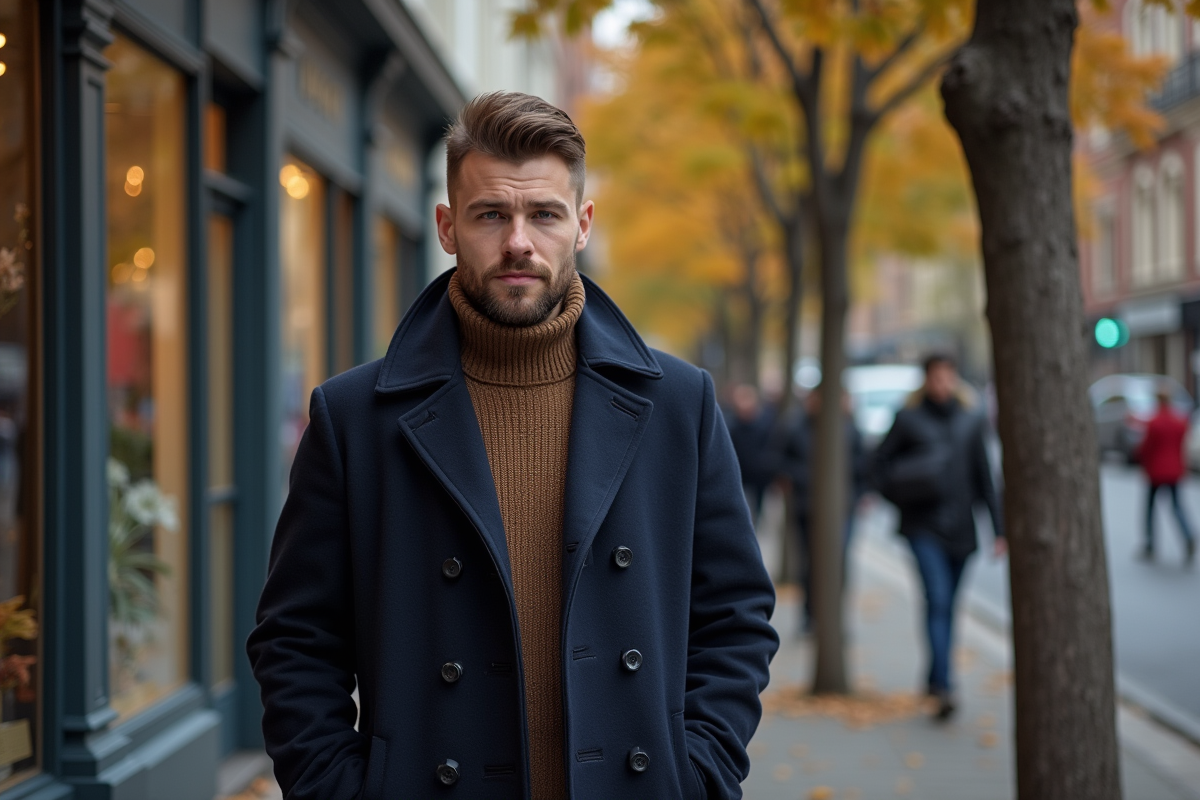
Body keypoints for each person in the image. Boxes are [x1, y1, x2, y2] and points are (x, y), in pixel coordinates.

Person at [247, 92, 778, 800]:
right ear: (446, 226)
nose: (519, 241)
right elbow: (296, 643)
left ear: (582, 225)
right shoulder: (354, 420)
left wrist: (697, 771)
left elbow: (736, 615)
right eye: (491, 214)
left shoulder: (679, 406)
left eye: (545, 214)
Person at [873, 354, 1004, 721]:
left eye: (948, 377)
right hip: (922, 527)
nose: (942, 384)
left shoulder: (971, 420)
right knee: (938, 599)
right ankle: (946, 686)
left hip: (962, 530)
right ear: (926, 380)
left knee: (949, 606)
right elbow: (878, 465)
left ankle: (935, 676)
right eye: (936, 377)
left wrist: (999, 529)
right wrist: (902, 492)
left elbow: (985, 477)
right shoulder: (908, 419)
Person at [781, 388, 868, 634]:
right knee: (810, 563)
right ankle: (810, 615)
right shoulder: (795, 428)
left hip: (844, 508)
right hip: (806, 506)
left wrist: (860, 495)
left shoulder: (849, 429)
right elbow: (779, 460)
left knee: (839, 562)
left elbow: (863, 466)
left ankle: (835, 616)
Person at [1136, 390, 1196, 565]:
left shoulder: (1154, 422)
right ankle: (1188, 536)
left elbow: (1146, 447)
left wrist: (1141, 460)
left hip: (1156, 471)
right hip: (1175, 471)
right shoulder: (1179, 421)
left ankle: (1150, 544)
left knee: (1150, 509)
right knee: (1177, 506)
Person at [726, 383, 776, 524]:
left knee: (756, 512)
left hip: (759, 477)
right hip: (739, 476)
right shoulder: (731, 424)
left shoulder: (766, 423)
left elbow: (771, 449)